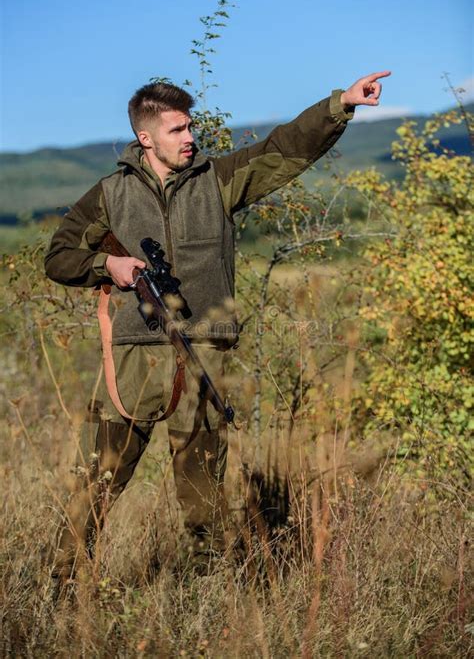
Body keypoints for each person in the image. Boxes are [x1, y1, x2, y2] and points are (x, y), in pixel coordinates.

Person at [44, 70, 390, 582]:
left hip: (204, 351)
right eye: (178, 130)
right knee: (97, 476)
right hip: (135, 357)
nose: (190, 138)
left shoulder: (217, 179)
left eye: (190, 127)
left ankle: (205, 591)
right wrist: (107, 267)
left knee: (202, 485)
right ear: (146, 138)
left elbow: (283, 149)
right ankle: (60, 584)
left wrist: (339, 105)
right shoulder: (110, 194)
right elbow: (58, 256)